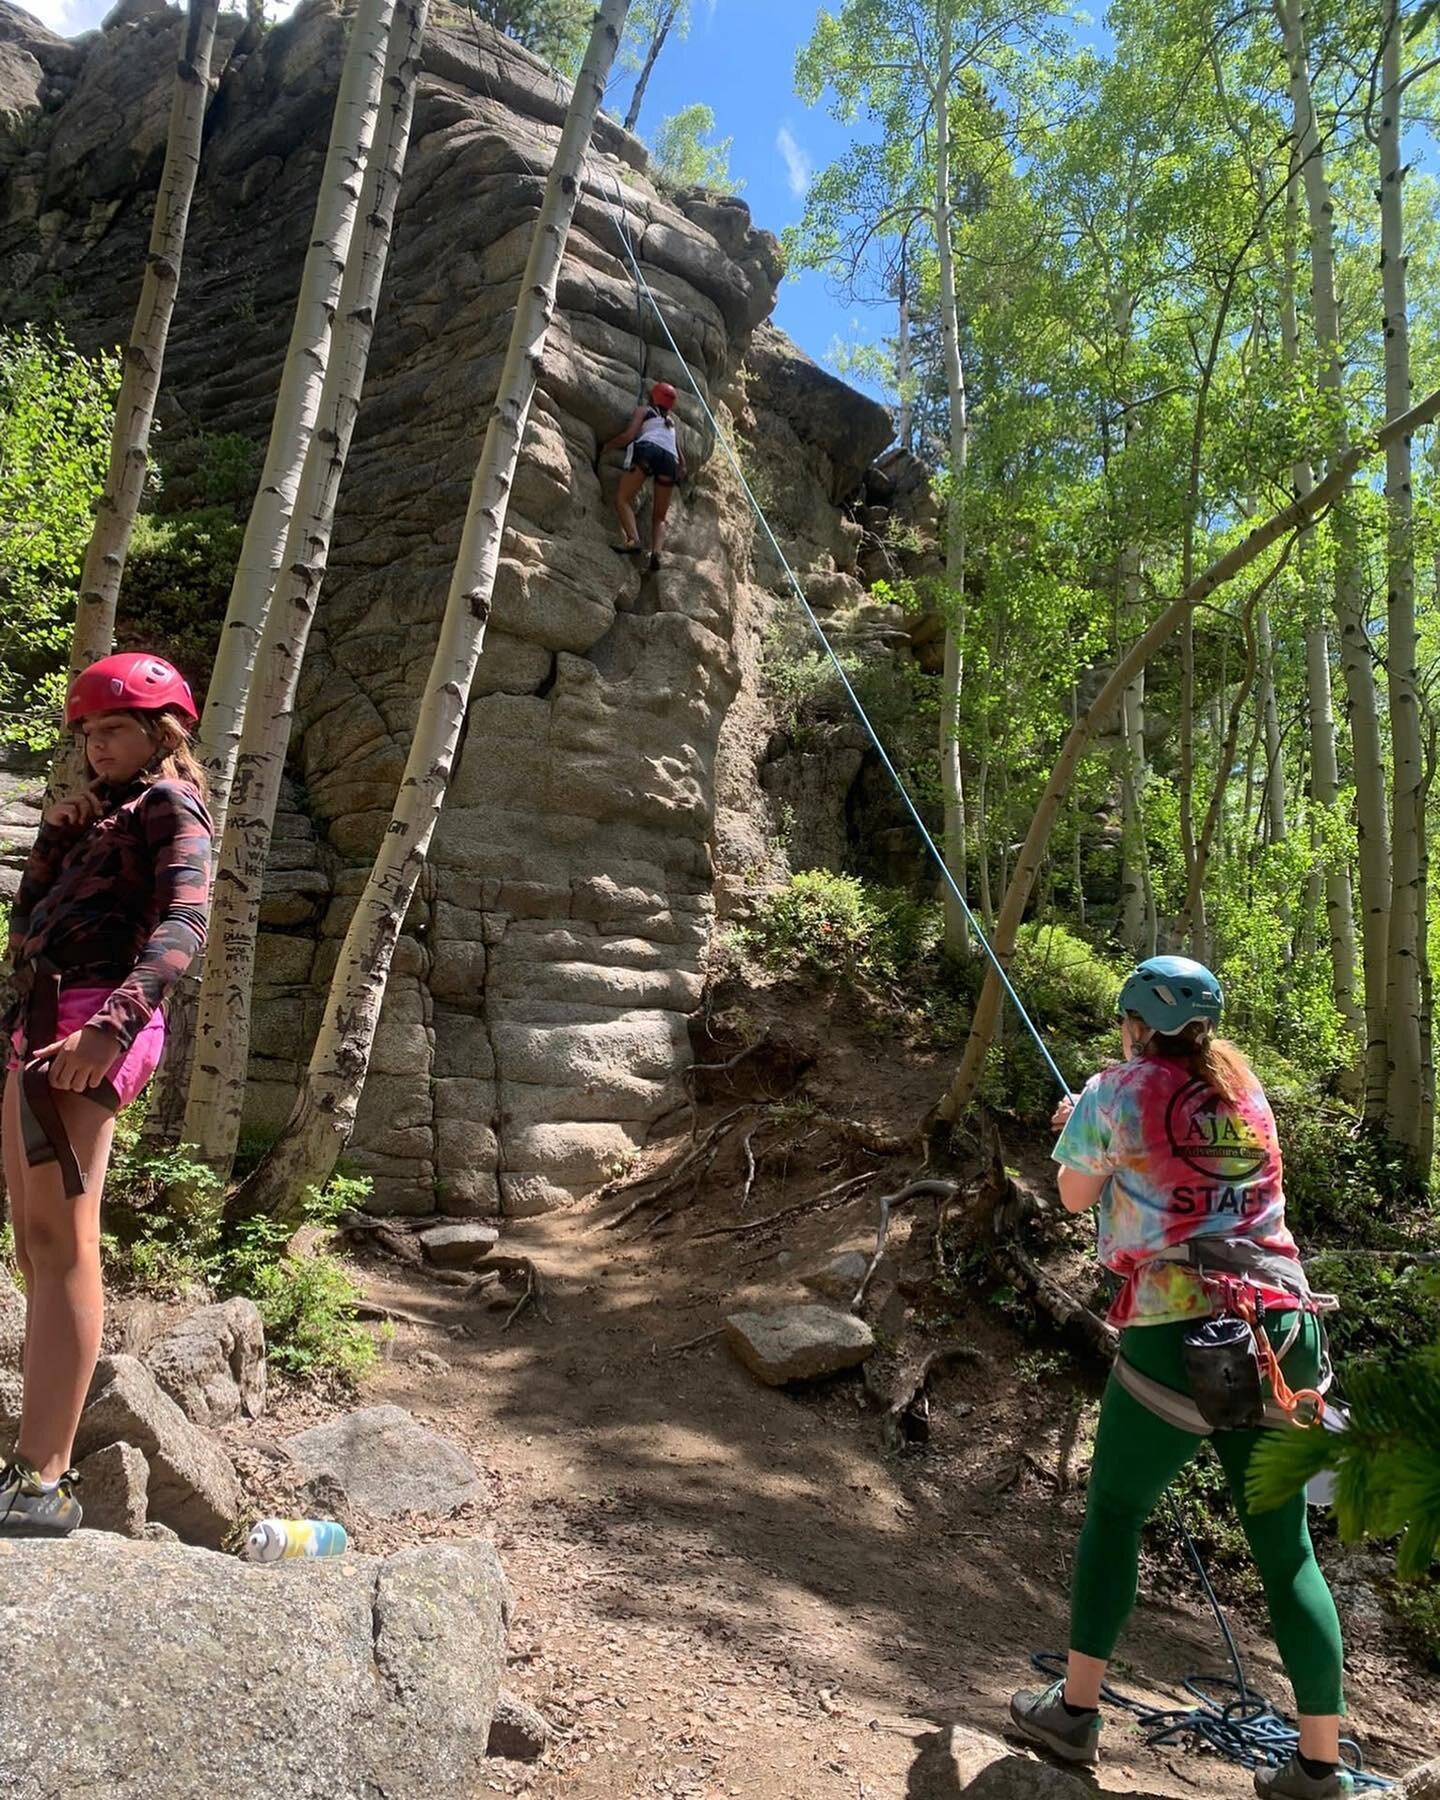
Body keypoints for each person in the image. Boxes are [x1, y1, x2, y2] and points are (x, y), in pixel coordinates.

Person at [1008, 955, 1350, 1800]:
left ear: (1133, 1019)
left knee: (1117, 1512)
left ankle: (1075, 1714)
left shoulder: (1112, 1090)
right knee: (1286, 1551)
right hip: (1285, 1326)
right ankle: (1319, 1767)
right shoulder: (1246, 1088)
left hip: (1180, 1328)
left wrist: (1079, 1127)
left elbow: (1071, 1195)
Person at [1, 653, 212, 1536]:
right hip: (38, 1019)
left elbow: (186, 923)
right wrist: (56, 835)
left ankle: (41, 1482)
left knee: (63, 1241)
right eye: (88, 732)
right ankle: (33, 1468)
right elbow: (27, 929)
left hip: (95, 1018)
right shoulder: (103, 817)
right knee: (34, 1242)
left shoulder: (171, 804)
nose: (97, 745)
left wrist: (115, 1025)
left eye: (115, 728)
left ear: (162, 730)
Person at [600, 380, 687, 571]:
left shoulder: (644, 411)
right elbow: (683, 465)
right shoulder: (672, 425)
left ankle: (634, 540)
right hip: (669, 462)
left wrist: (608, 446)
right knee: (660, 517)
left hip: (648, 452)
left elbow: (629, 436)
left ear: (653, 396)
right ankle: (656, 553)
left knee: (623, 499)